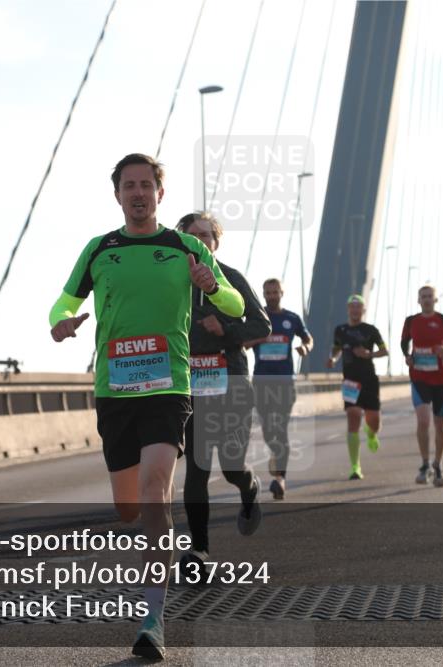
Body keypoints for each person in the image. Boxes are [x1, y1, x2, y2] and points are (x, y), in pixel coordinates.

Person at [48, 154, 244, 660]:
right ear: (117, 195)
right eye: (128, 186)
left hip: (168, 384)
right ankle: (150, 581)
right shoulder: (100, 249)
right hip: (116, 391)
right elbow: (63, 302)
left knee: (158, 485)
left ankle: (153, 619)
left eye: (146, 186)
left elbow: (235, 306)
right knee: (129, 505)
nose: (138, 193)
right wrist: (64, 321)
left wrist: (212, 287)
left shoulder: (185, 246)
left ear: (160, 194)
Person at [176, 211, 270, 576]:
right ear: (182, 240)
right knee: (197, 470)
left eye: (206, 236)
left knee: (231, 465)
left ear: (216, 243)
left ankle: (249, 487)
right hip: (190, 384)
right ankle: (199, 551)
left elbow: (262, 325)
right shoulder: (174, 279)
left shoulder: (231, 278)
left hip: (230, 380)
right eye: (192, 236)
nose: (200, 242)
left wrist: (226, 328)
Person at [245, 278, 312, 500]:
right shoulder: (257, 317)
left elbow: (308, 338)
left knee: (280, 428)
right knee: (268, 430)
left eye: (275, 292)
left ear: (282, 293)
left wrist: (304, 347)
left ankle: (280, 478)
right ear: (263, 294)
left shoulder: (291, 318)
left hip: (284, 382)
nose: (272, 296)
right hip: (262, 382)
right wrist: (257, 338)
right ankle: (277, 459)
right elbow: (243, 344)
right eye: (268, 292)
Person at [400, 285, 443, 487]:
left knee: (440, 424)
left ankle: (438, 465)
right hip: (419, 378)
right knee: (423, 421)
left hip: (442, 380)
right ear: (418, 300)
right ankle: (424, 464)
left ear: (436, 300)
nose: (427, 299)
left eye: (430, 296)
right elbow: (404, 343)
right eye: (423, 297)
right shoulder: (411, 321)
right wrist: (408, 357)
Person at [326, 294, 388, 480]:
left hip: (369, 379)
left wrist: (369, 354)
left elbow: (385, 351)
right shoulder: (340, 330)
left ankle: (371, 434)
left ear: (363, 310)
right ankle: (355, 466)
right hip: (350, 381)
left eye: (358, 307)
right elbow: (336, 348)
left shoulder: (371, 330)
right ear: (348, 309)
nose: (355, 310)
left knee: (373, 421)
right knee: (353, 417)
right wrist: (333, 358)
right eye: (352, 307)